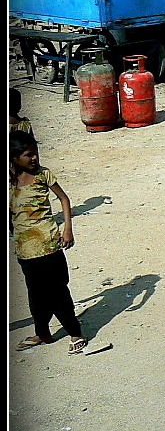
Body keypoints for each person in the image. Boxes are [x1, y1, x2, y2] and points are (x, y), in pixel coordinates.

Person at [9, 129, 88, 352]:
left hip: (49, 246)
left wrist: (67, 230)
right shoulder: (10, 181)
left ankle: (75, 333)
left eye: (35, 153)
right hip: (25, 250)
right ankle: (42, 334)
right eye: (28, 155)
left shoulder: (43, 175)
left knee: (58, 292)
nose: (34, 158)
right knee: (35, 295)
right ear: (14, 158)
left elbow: (64, 199)